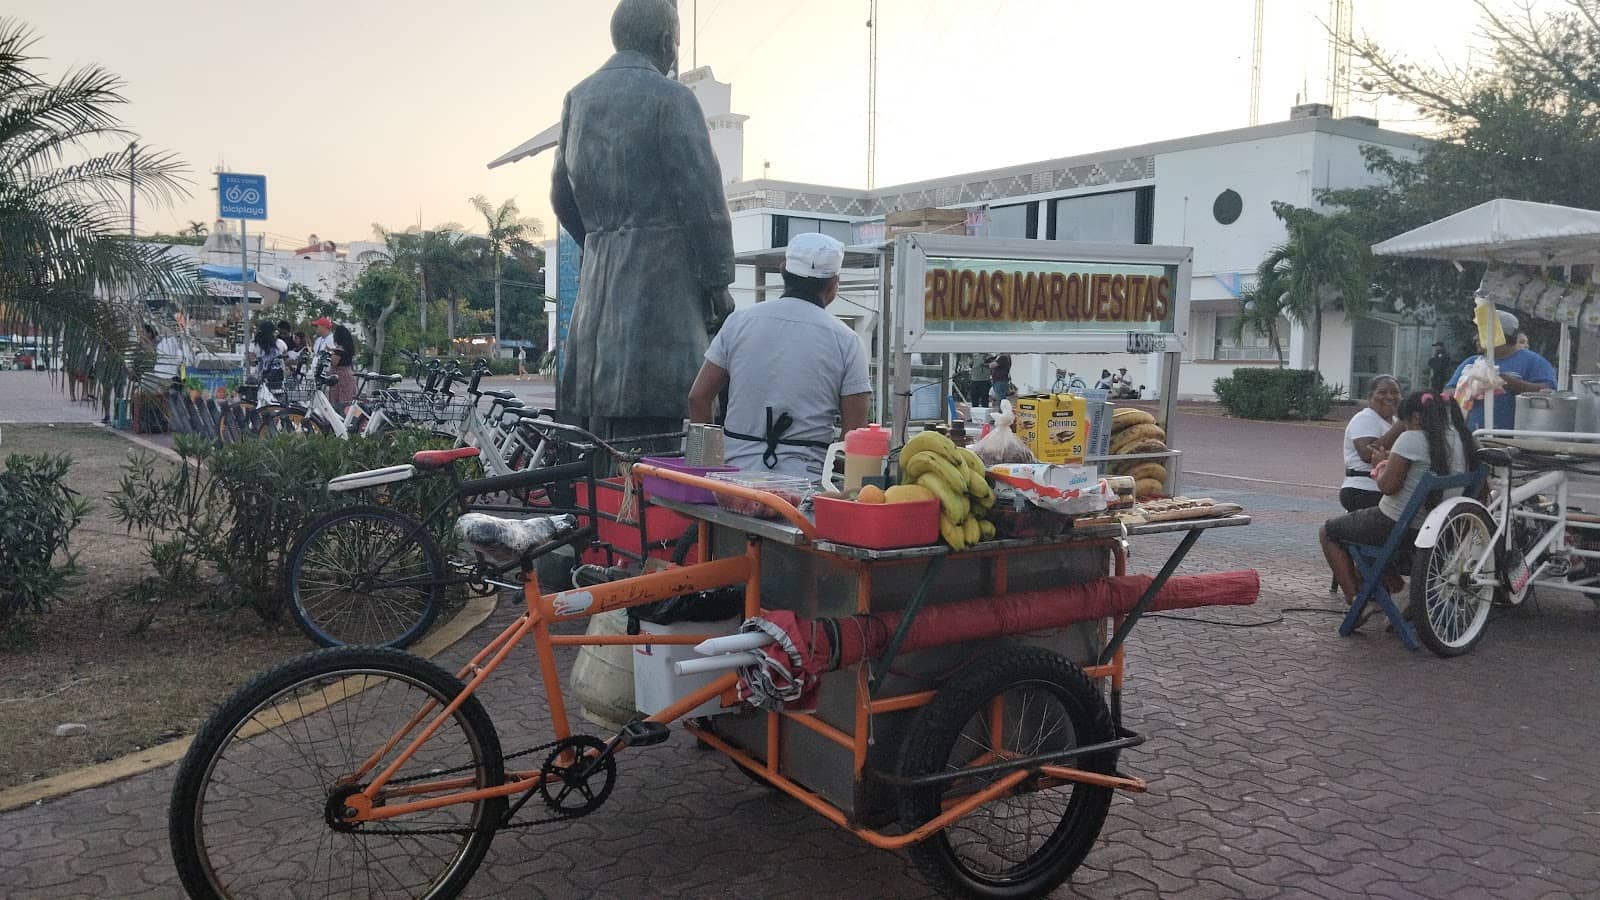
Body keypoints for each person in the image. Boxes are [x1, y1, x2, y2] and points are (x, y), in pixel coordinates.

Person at [552, 0, 735, 446]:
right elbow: (704, 203)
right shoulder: (673, 99)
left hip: (594, 311)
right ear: (667, 42)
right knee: (660, 461)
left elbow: (561, 195)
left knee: (592, 471)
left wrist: (600, 241)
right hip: (661, 306)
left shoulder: (578, 99)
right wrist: (717, 286)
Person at [687, 233, 871, 478]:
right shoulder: (847, 340)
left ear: (783, 270)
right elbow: (854, 434)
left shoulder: (739, 322)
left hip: (733, 480)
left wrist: (708, 467)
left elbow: (698, 398)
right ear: (833, 283)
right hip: (805, 484)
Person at [1320, 390, 1479, 608]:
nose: (1404, 427)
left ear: (1414, 417)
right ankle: (1398, 593)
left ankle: (1358, 600)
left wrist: (1380, 464)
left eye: (1405, 422)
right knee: (1362, 532)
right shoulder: (1463, 440)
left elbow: (1388, 486)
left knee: (1329, 532)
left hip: (1398, 526)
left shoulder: (1412, 438)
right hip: (1444, 531)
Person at [1444, 309, 1556, 430]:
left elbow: (1549, 392)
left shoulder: (1533, 361)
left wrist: (1508, 382)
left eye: (1481, 332)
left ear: (1499, 335)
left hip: (1514, 440)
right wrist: (1469, 386)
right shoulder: (1471, 363)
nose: (1475, 337)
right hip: (1473, 437)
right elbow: (1447, 393)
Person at [1340, 376, 1404, 512]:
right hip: (1363, 489)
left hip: (1385, 487)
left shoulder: (1394, 421)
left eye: (1395, 392)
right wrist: (1399, 427)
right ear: (1370, 397)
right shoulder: (1365, 418)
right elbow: (1367, 454)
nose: (1390, 397)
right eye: (1382, 392)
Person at [327, 324, 358, 404]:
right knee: (347, 401)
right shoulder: (348, 348)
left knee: (339, 402)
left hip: (340, 378)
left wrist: (330, 354)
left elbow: (334, 362)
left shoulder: (339, 350)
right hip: (348, 376)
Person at [252, 321, 288, 389]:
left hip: (261, 379)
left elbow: (252, 362)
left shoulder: (255, 345)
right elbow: (286, 358)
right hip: (278, 380)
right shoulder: (281, 343)